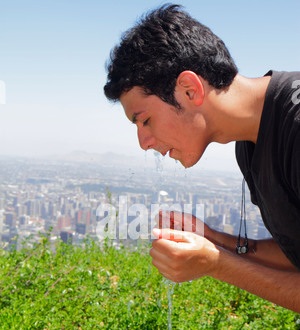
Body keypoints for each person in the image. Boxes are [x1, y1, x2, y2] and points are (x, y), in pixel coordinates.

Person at [104, 4, 300, 313]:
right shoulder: (250, 142)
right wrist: (213, 239)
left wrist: (217, 264)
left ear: (189, 89)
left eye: (144, 120)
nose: (144, 143)